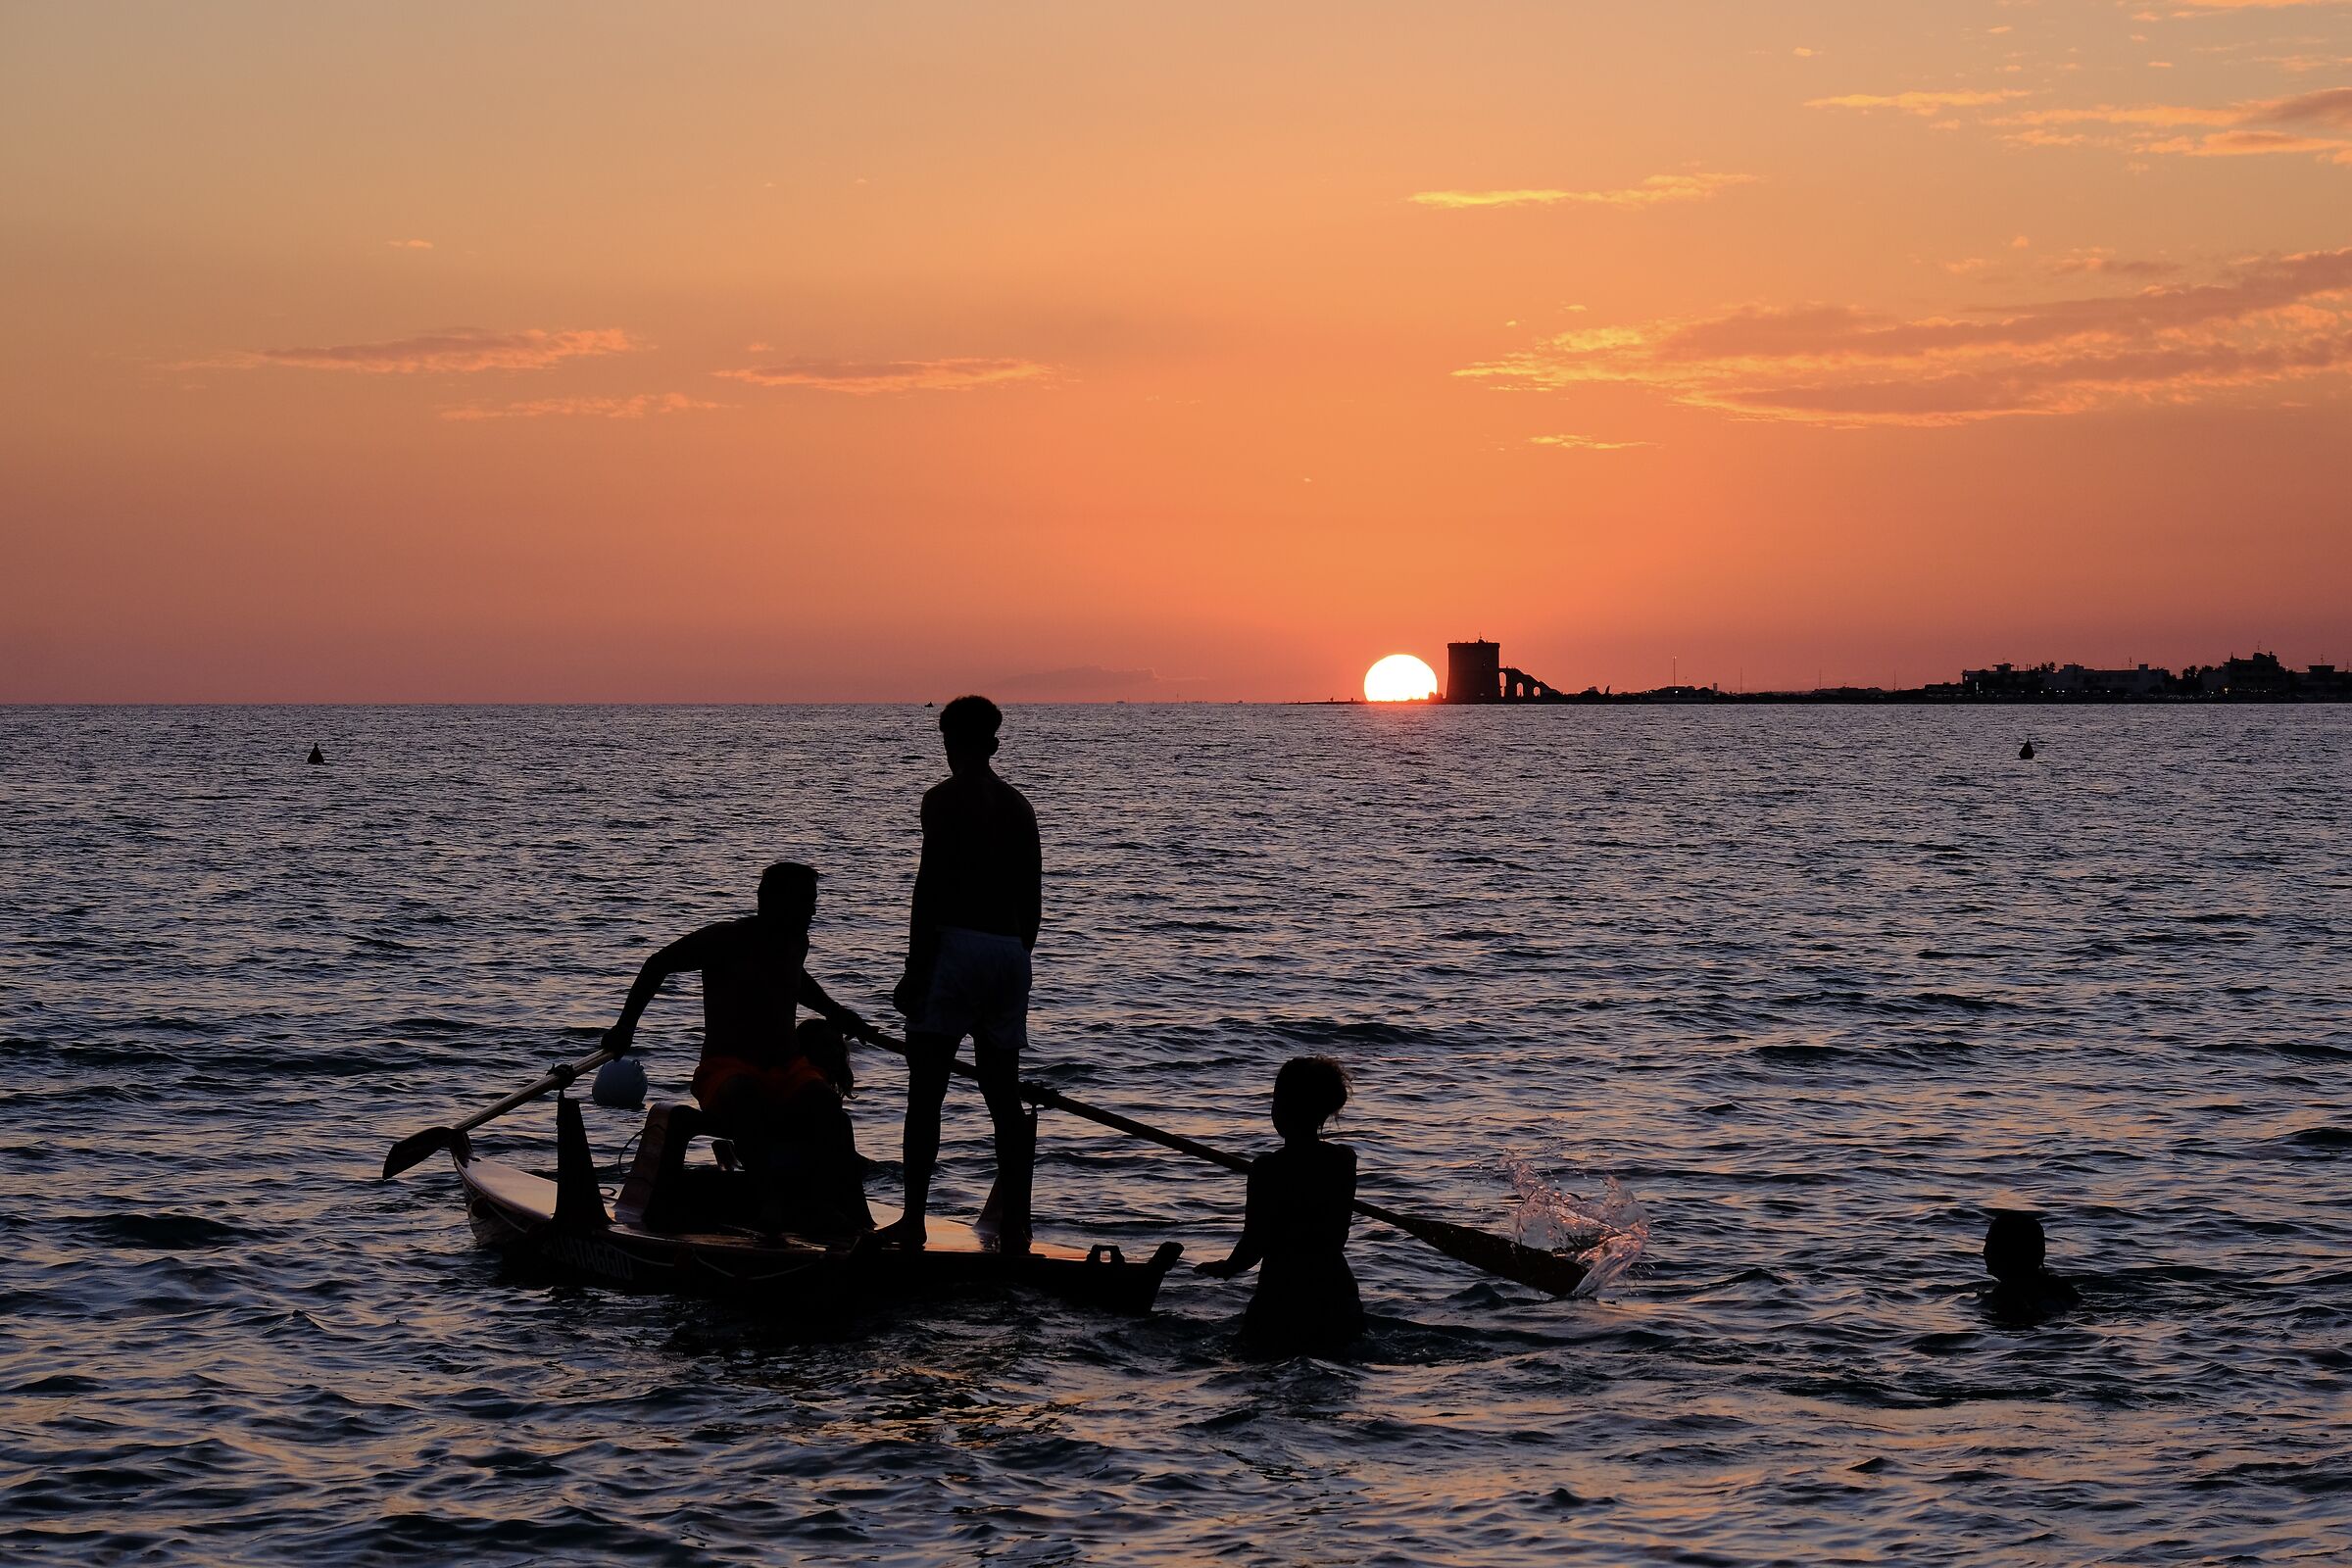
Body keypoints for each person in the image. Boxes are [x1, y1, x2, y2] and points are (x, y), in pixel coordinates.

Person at [602, 860, 876, 1235]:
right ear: (769, 901)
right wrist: (625, 1028)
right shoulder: (725, 939)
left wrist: (837, 1013)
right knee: (746, 1096)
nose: (811, 911)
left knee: (828, 1107)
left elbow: (795, 981)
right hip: (726, 1069)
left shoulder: (797, 942)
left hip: (786, 1068)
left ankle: (851, 1214)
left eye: (812, 902)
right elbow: (657, 964)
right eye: (803, 902)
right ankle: (770, 1206)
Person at [878, 695, 1042, 1251]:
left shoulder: (941, 800)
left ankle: (915, 1219)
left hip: (958, 947)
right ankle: (1016, 1224)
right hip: (1009, 952)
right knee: (1004, 1098)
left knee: (927, 1093)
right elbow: (1033, 900)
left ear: (949, 743)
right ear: (993, 744)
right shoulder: (1020, 807)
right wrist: (1017, 960)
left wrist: (915, 971)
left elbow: (932, 888)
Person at [1196, 1055, 1365, 1356]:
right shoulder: (1343, 1161)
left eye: (1275, 1100)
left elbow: (1254, 1242)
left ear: (1286, 1109)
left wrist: (1227, 1268)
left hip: (1283, 1293)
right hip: (1336, 1293)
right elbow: (1337, 1234)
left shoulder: (1266, 1169)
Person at [1982, 1208, 2079, 1321]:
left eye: (1988, 1242)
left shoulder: (2005, 1293)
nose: (1984, 1250)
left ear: (2003, 1252)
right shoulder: (2060, 1286)